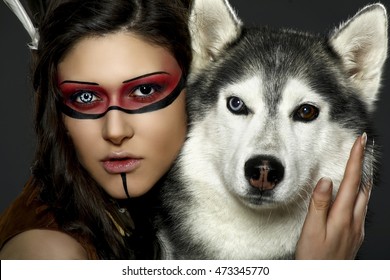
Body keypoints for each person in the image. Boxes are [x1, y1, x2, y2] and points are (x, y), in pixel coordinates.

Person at [0, 0, 371, 260]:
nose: (115, 130)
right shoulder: (49, 254)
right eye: (84, 97)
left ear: (187, 89)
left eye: (145, 90)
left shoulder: (139, 216)